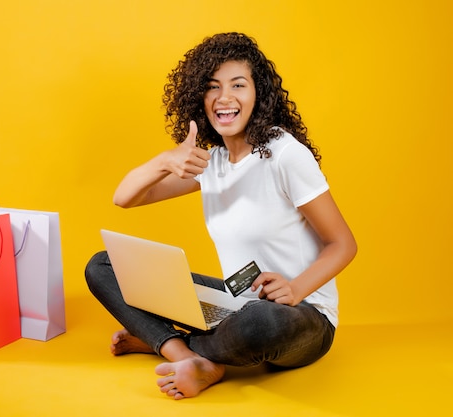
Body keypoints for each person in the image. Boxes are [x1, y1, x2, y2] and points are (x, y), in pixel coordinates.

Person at [85, 32, 357, 400]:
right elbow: (126, 198)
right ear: (200, 98)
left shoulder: (283, 154)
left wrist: (295, 289)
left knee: (261, 321)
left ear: (258, 93)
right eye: (213, 87)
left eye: (238, 85)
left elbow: (343, 244)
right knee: (102, 266)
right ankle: (189, 356)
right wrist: (166, 161)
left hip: (301, 317)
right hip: (235, 304)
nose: (225, 98)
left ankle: (165, 342)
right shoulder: (211, 163)